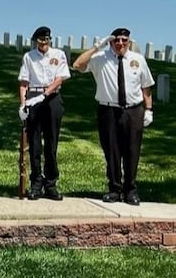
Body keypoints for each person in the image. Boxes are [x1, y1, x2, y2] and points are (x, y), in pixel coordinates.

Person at [73, 27, 154, 206]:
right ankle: (115, 189)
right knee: (112, 151)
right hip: (108, 111)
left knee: (132, 151)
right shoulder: (100, 59)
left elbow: (146, 87)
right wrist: (96, 46)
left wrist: (149, 110)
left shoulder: (138, 60)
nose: (120, 44)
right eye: (116, 40)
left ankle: (130, 190)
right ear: (110, 42)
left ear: (129, 42)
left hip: (133, 111)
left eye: (124, 40)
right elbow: (77, 65)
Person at [17, 26, 71, 200]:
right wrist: (23, 104)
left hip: (52, 97)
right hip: (33, 95)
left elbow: (60, 78)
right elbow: (24, 81)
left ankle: (51, 184)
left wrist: (45, 94)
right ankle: (36, 183)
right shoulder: (29, 57)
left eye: (46, 39)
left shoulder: (58, 55)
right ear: (35, 41)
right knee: (34, 144)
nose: (44, 42)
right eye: (40, 40)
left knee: (51, 143)